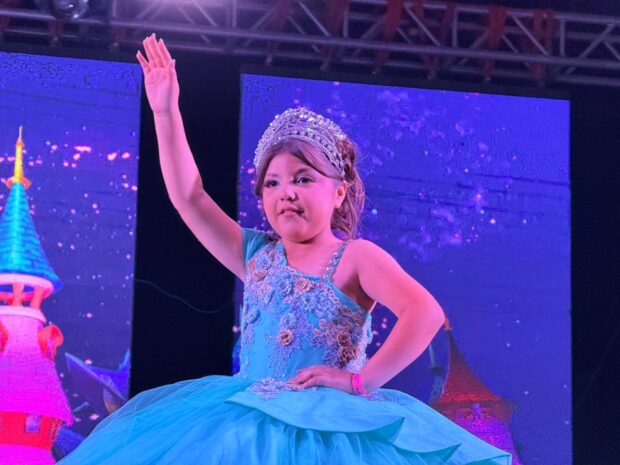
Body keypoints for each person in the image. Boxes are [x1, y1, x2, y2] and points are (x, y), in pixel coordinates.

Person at [57, 33, 512, 464]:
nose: (285, 192)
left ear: (339, 191)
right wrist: (165, 111)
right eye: (271, 183)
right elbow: (190, 197)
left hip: (328, 435)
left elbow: (424, 312)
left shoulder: (356, 257)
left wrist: (360, 381)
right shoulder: (257, 253)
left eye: (303, 179)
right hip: (247, 426)